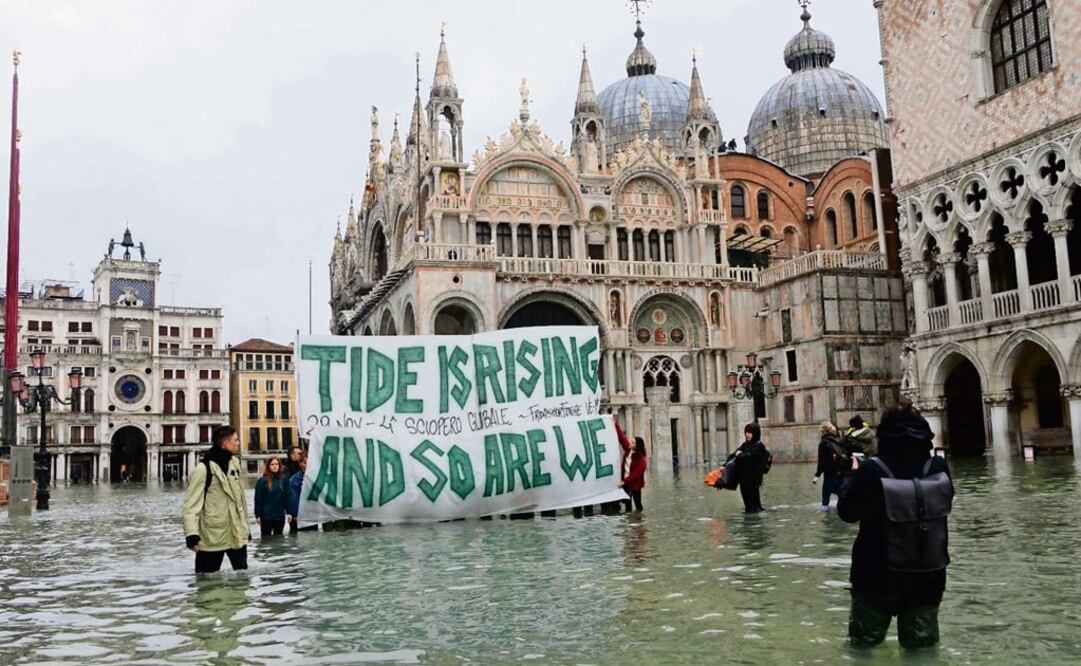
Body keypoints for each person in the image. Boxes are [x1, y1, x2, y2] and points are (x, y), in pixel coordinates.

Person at [837, 404, 952, 650]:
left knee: (862, 649)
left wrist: (852, 474)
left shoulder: (871, 470)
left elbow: (846, 512)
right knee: (922, 653)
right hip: (927, 576)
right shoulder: (938, 468)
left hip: (875, 579)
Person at [181, 425, 250, 573]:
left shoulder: (235, 464)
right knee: (206, 583)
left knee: (242, 581)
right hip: (211, 537)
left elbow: (241, 499)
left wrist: (246, 528)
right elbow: (191, 506)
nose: (239, 443)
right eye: (236, 440)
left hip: (237, 535)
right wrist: (191, 535)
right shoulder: (202, 469)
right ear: (225, 444)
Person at [733, 423, 769, 513]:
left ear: (755, 433)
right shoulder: (745, 445)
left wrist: (740, 454)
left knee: (755, 504)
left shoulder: (759, 446)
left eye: (750, 432)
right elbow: (733, 455)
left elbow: (749, 455)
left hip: (754, 479)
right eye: (746, 432)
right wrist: (724, 465)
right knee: (747, 503)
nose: (747, 434)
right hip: (743, 479)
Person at [812, 421, 849, 509]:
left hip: (830, 475)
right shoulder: (839, 441)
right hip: (841, 473)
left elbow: (822, 461)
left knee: (825, 502)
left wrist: (817, 475)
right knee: (842, 498)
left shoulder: (823, 443)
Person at [253, 458, 288, 537]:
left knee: (279, 540)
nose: (275, 466)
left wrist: (289, 512)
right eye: (272, 464)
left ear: (279, 466)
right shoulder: (262, 481)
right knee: (265, 539)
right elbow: (258, 499)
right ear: (268, 466)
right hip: (266, 517)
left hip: (279, 516)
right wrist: (258, 515)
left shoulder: (284, 480)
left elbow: (287, 497)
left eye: (276, 464)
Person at [286, 450, 316, 532]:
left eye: (309, 463)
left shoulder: (315, 478)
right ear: (300, 464)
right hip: (298, 516)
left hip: (312, 515)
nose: (307, 465)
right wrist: (295, 515)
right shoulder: (294, 480)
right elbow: (292, 499)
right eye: (304, 463)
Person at [620, 437, 647, 512]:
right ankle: (629, 520)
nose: (630, 443)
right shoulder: (628, 450)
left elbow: (636, 475)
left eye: (632, 442)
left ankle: (639, 520)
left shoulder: (642, 460)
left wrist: (624, 481)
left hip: (635, 485)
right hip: (626, 483)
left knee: (638, 504)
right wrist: (616, 425)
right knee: (627, 504)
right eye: (630, 441)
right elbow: (622, 439)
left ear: (637, 446)